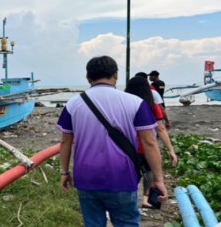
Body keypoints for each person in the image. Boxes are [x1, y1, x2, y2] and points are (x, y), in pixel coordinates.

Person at [57, 56, 167, 227]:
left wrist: (64, 172)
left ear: (88, 78)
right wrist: (158, 179)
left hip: (86, 177)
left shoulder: (73, 104)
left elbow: (65, 142)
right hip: (122, 176)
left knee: (92, 223)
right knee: (127, 223)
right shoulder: (135, 103)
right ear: (116, 75)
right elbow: (150, 143)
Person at [125, 76, 177, 208]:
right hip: (145, 148)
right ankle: (145, 198)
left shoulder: (122, 104)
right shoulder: (150, 105)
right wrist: (170, 150)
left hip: (124, 148)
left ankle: (129, 201)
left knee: (128, 180)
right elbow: (160, 128)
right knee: (148, 172)